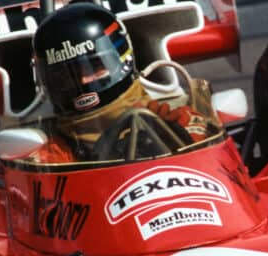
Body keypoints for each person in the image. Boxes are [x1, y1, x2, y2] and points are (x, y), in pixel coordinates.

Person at [27, 2, 216, 164]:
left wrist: (175, 138)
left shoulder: (174, 118)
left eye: (95, 66)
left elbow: (210, 158)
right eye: (67, 77)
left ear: (122, 60)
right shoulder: (55, 154)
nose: (84, 80)